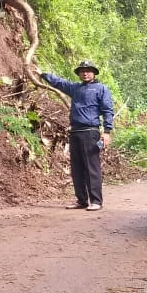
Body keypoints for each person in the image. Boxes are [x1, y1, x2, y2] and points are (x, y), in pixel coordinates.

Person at [40, 59, 114, 211]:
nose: (85, 73)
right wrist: (42, 74)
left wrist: (107, 132)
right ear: (79, 74)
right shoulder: (75, 88)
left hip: (91, 132)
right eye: (82, 71)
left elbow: (107, 110)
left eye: (88, 70)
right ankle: (81, 200)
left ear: (94, 73)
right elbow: (59, 82)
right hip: (75, 132)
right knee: (77, 168)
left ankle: (96, 201)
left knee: (91, 168)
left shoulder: (101, 88)